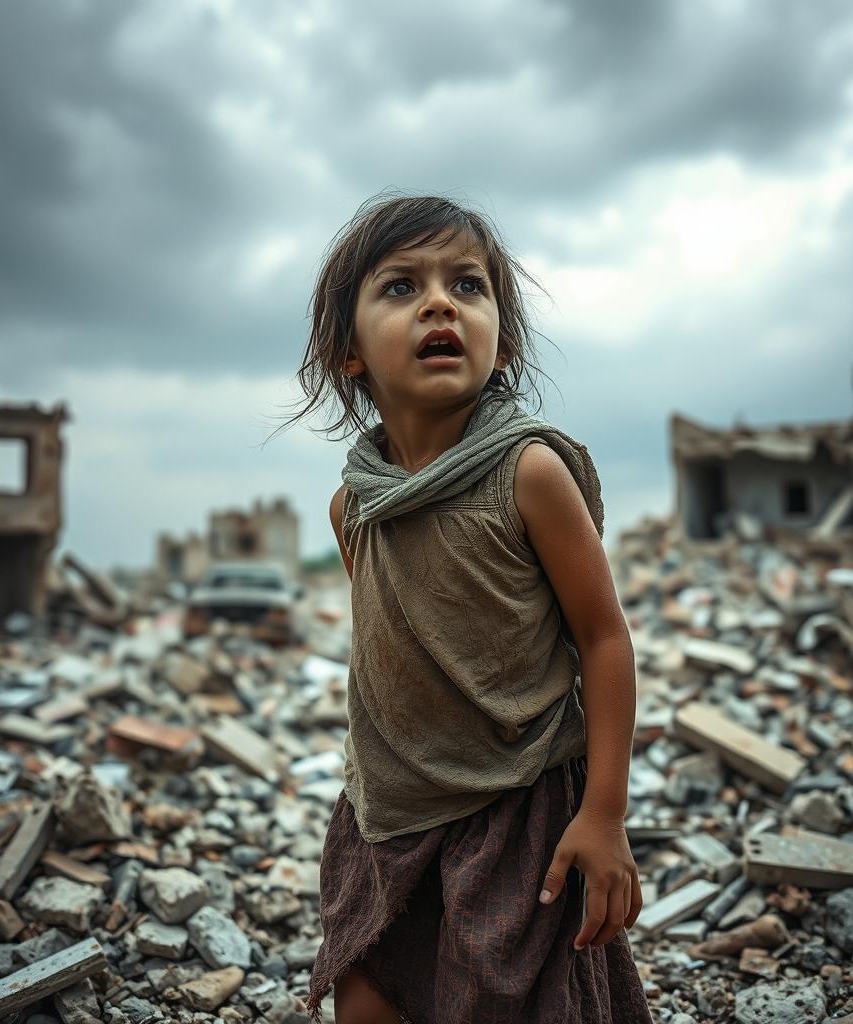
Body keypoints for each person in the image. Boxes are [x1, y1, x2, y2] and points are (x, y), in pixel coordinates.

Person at [279, 192, 653, 1024]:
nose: (441, 302)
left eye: (469, 286)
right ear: (348, 352)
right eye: (402, 287)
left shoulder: (527, 475)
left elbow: (603, 639)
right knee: (368, 995)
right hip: (386, 813)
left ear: (502, 340)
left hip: (514, 808)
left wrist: (604, 814)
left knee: (504, 999)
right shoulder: (355, 507)